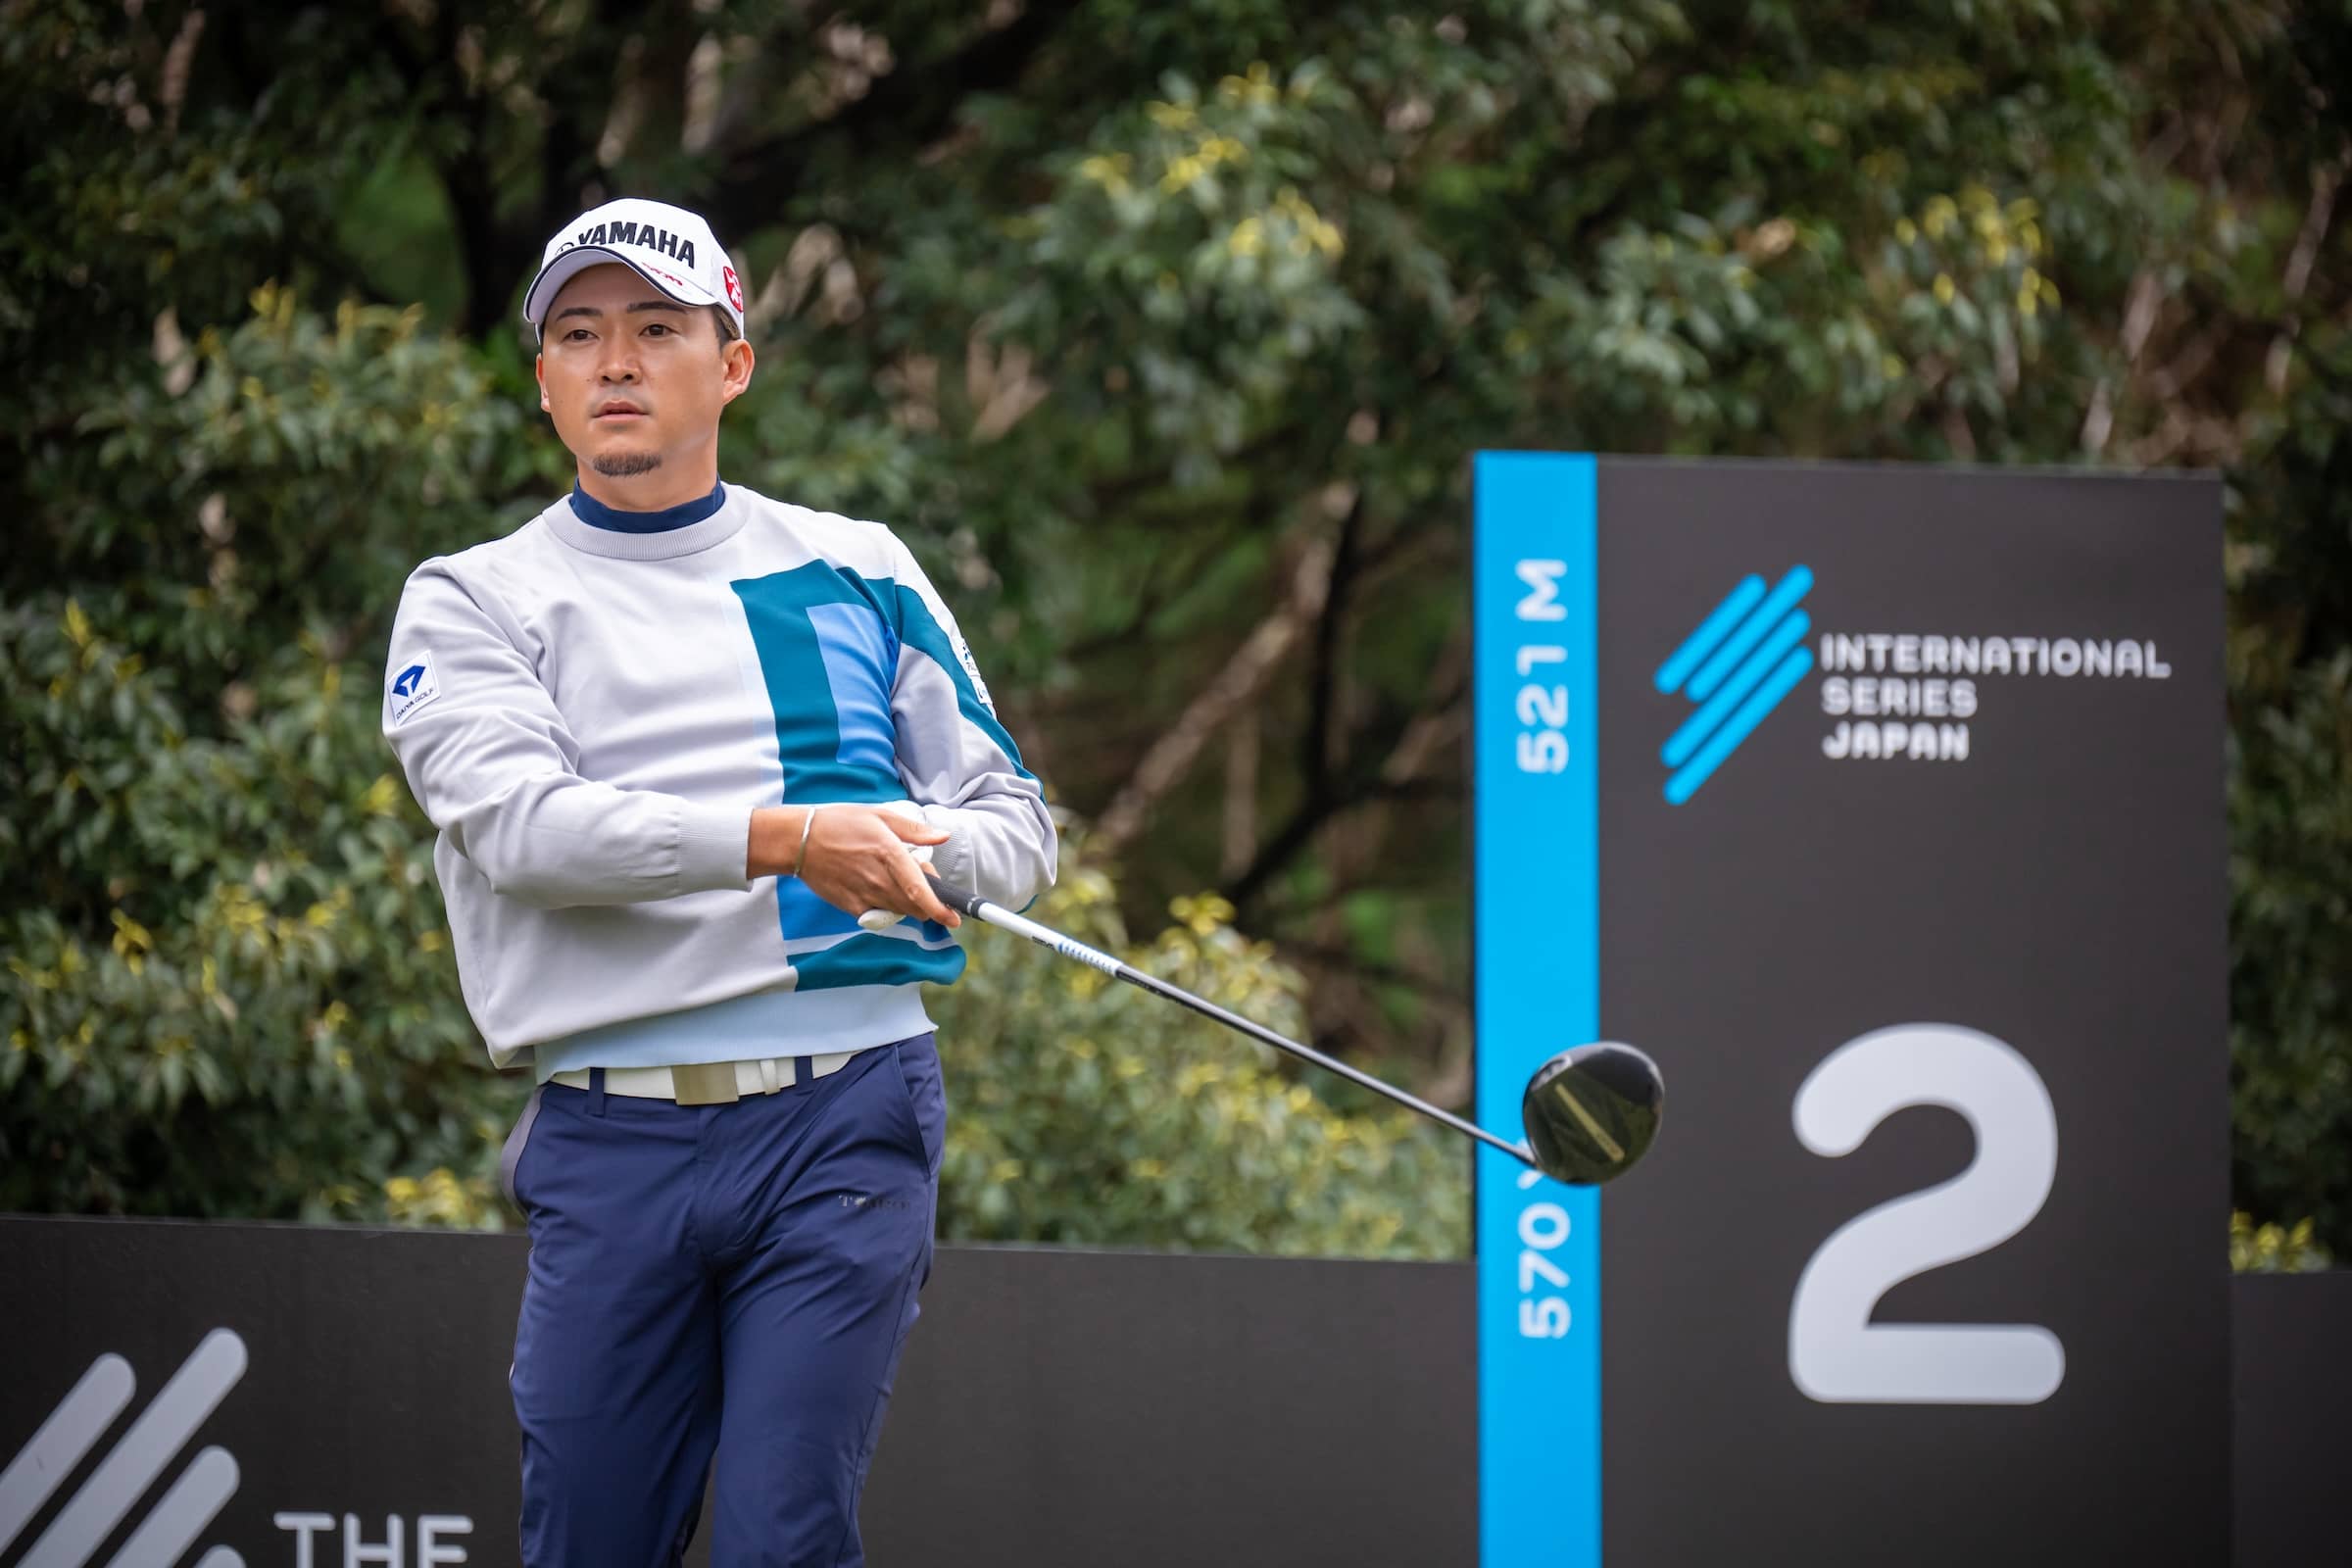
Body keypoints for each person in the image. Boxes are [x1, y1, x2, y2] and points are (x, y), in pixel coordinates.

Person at [381, 196, 1054, 1566]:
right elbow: (526, 830)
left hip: (845, 1122)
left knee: (780, 1537)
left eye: (654, 329)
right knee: (589, 1541)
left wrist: (926, 856)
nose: (615, 363)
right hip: (609, 1138)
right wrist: (798, 838)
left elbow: (1013, 825)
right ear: (546, 385)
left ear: (731, 363)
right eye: (579, 335)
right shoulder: (473, 598)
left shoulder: (859, 568)